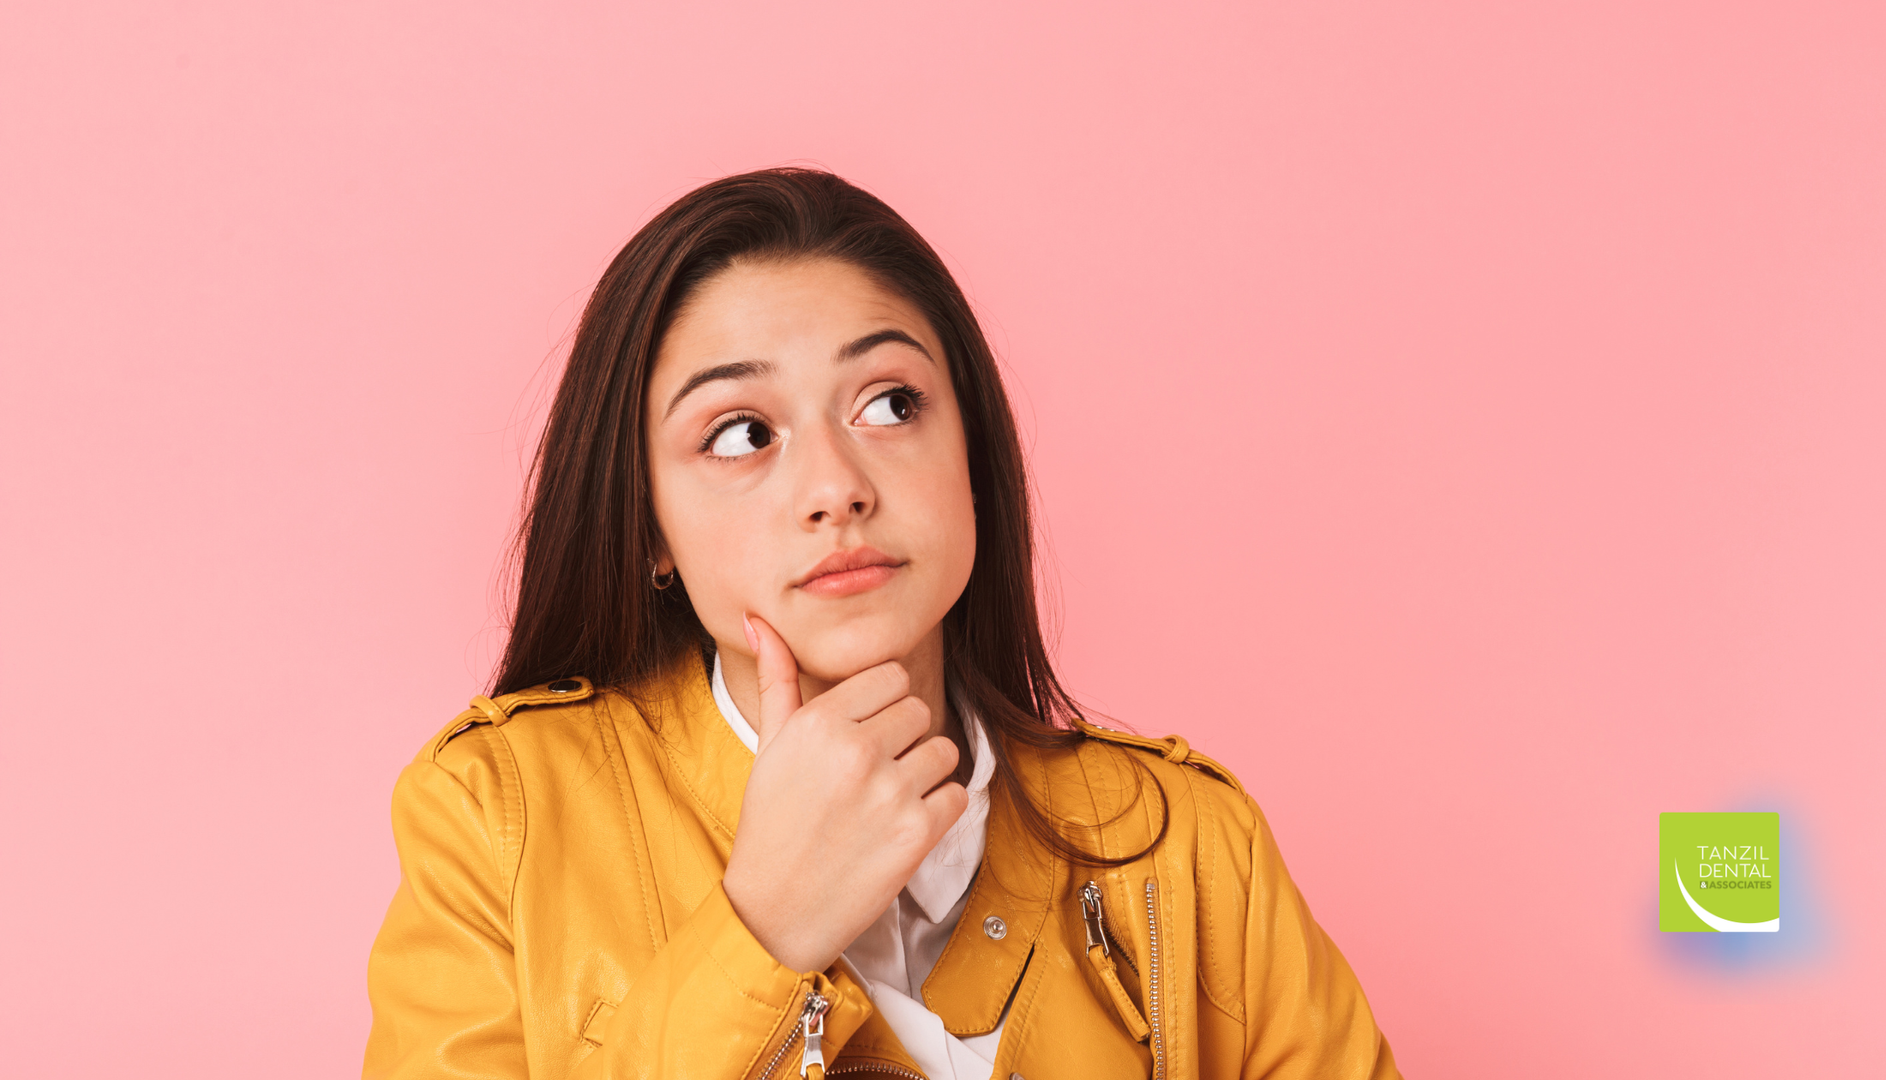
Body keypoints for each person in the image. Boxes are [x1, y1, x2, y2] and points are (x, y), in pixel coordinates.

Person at [363, 168, 1401, 1080]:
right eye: (739, 433)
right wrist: (760, 934)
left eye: (891, 405)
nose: (835, 487)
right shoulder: (496, 817)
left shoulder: (1185, 847)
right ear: (649, 528)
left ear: (973, 459)